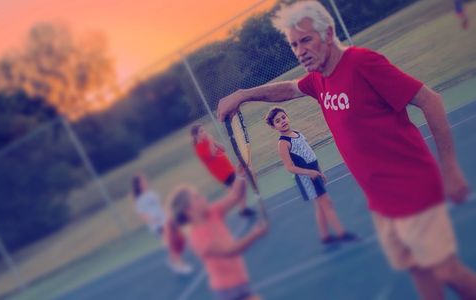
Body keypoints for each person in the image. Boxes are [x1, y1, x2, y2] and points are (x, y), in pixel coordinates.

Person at [216, 1, 476, 299]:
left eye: (306, 40)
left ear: (327, 33)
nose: (300, 50)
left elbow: (431, 101)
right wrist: (244, 94)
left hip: (412, 188)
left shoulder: (363, 63)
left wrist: (451, 168)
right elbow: (289, 89)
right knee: (419, 270)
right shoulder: (318, 79)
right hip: (381, 202)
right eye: (293, 45)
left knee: (447, 271)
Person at [167, 171, 267, 300]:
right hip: (227, 290)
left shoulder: (213, 212)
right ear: (188, 210)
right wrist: (255, 234)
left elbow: (236, 196)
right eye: (196, 197)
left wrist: (240, 175)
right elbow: (230, 251)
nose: (202, 198)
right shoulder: (197, 238)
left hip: (241, 281)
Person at [265, 106, 357, 245]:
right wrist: (310, 173)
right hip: (306, 177)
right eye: (278, 121)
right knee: (326, 203)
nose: (282, 121)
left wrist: (320, 172)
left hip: (314, 173)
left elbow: (310, 154)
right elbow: (290, 167)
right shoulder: (283, 143)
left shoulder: (297, 133)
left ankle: (324, 236)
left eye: (283, 117)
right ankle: (341, 233)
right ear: (273, 127)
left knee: (320, 206)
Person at [191, 124, 256, 218]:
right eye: (201, 131)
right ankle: (219, 212)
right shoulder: (199, 148)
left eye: (204, 130)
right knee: (238, 189)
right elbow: (212, 154)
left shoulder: (207, 141)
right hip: (222, 173)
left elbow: (223, 148)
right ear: (196, 136)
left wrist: (213, 142)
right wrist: (210, 141)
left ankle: (243, 209)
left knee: (240, 187)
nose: (204, 132)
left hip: (229, 168)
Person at [132, 173, 193, 275]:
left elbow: (159, 207)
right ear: (138, 185)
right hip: (157, 226)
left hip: (165, 221)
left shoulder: (152, 193)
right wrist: (153, 220)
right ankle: (180, 265)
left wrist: (167, 215)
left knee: (177, 240)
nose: (145, 182)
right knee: (172, 243)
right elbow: (143, 215)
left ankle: (173, 260)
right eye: (142, 181)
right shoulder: (139, 200)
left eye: (145, 180)